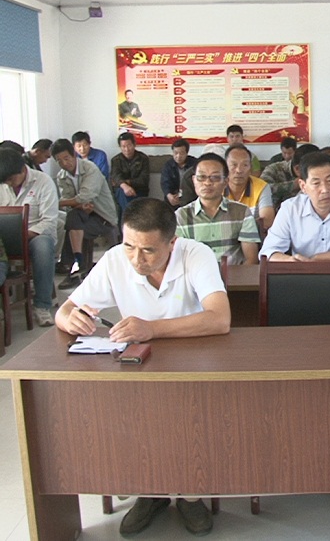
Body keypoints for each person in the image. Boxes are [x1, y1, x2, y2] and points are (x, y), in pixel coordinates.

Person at [55, 197, 230, 536]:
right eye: (129, 246)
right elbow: (66, 310)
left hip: (193, 364)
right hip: (138, 367)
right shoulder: (114, 260)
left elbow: (220, 319)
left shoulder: (196, 255)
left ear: (172, 243)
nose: (137, 259)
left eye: (148, 250)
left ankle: (191, 495)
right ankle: (150, 492)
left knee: (186, 419)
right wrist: (69, 319)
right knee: (123, 416)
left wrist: (151, 329)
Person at [259, 152, 330, 262]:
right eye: (316, 183)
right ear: (303, 186)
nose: (325, 190)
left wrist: (316, 259)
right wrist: (291, 260)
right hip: (301, 271)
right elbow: (267, 252)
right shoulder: (290, 208)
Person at [0, 148, 58, 326]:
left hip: (35, 235)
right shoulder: (3, 182)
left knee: (43, 248)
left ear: (22, 170)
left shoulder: (43, 182)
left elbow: (49, 221)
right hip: (4, 237)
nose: (8, 184)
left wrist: (22, 235)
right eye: (5, 181)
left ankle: (42, 306)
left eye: (11, 179)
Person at [52, 139, 118, 289]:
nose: (64, 163)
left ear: (74, 154)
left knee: (72, 228)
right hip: (81, 214)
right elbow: (71, 202)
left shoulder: (90, 168)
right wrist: (79, 205)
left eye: (66, 158)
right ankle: (80, 265)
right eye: (59, 161)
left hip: (102, 216)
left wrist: (57, 203)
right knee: (72, 218)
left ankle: (71, 265)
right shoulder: (61, 176)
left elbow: (84, 196)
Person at [176, 153, 259, 264]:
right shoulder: (181, 216)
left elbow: (251, 259)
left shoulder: (242, 212)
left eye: (215, 177)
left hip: (233, 274)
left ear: (225, 182)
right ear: (194, 180)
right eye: (201, 177)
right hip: (195, 275)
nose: (207, 183)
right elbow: (177, 260)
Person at [224, 144, 275, 228]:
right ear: (225, 167)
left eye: (245, 165)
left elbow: (267, 221)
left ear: (251, 168)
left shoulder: (261, 187)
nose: (239, 170)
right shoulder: (217, 186)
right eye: (234, 165)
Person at [261, 143, 319, 210]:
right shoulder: (273, 170)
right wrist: (292, 185)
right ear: (297, 168)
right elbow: (262, 189)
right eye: (312, 169)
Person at [110, 132, 150, 220]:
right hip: (122, 192)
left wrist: (127, 183)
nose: (126, 149)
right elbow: (115, 177)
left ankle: (128, 221)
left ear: (134, 144)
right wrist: (124, 186)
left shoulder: (143, 158)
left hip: (139, 191)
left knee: (129, 204)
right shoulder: (115, 160)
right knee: (122, 192)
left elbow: (144, 179)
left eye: (129, 145)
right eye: (123, 146)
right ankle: (131, 219)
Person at [161, 138, 196, 208]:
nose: (178, 156)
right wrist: (169, 195)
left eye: (182, 153)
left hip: (190, 196)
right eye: (176, 153)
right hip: (173, 197)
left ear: (187, 153)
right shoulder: (168, 165)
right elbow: (165, 183)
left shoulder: (195, 164)